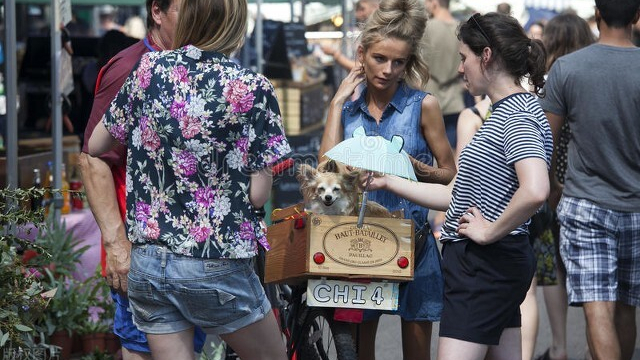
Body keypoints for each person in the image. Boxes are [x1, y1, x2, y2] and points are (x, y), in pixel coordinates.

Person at [88, 0, 291, 359]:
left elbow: (96, 144)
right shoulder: (251, 87)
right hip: (216, 260)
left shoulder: (147, 70)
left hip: (149, 262)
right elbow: (258, 196)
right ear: (235, 25)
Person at [359, 11, 551, 360]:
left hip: (485, 263)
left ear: (487, 56)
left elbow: (536, 188)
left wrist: (490, 231)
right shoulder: (511, 109)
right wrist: (389, 180)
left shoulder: (515, 115)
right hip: (489, 262)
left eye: (464, 58)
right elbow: (454, 194)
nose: (460, 68)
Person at [318, 0, 456, 359]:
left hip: (416, 243)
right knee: (362, 352)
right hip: (361, 246)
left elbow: (448, 173)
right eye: (380, 58)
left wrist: (410, 166)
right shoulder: (346, 107)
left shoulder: (422, 105)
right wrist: (335, 105)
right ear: (362, 54)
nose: (389, 69)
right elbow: (324, 172)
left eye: (399, 62)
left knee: (417, 353)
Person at [79, 1, 207, 359]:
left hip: (188, 255)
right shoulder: (129, 67)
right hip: (142, 254)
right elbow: (93, 160)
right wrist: (117, 245)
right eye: (186, 11)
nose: (196, 21)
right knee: (141, 349)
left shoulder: (198, 63)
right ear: (157, 12)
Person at [539, 1, 640, 359]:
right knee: (628, 306)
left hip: (586, 205)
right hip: (636, 206)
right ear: (637, 17)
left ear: (597, 14)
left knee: (598, 306)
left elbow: (546, 142)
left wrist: (550, 186)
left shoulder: (568, 68)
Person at [533, 12, 596, 360]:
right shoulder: (591, 72)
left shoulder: (545, 79)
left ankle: (558, 347)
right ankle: (594, 346)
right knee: (592, 270)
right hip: (587, 183)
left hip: (549, 184)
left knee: (550, 267)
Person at [422, 0, 465, 150]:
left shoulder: (427, 27)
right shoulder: (461, 29)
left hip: (429, 95)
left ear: (435, 2)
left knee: (428, 153)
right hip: (454, 97)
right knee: (452, 152)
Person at [321, 0, 381, 71]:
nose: (358, 14)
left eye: (362, 9)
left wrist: (335, 54)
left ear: (376, 7)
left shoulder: (381, 33)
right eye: (357, 9)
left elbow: (362, 68)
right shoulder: (371, 31)